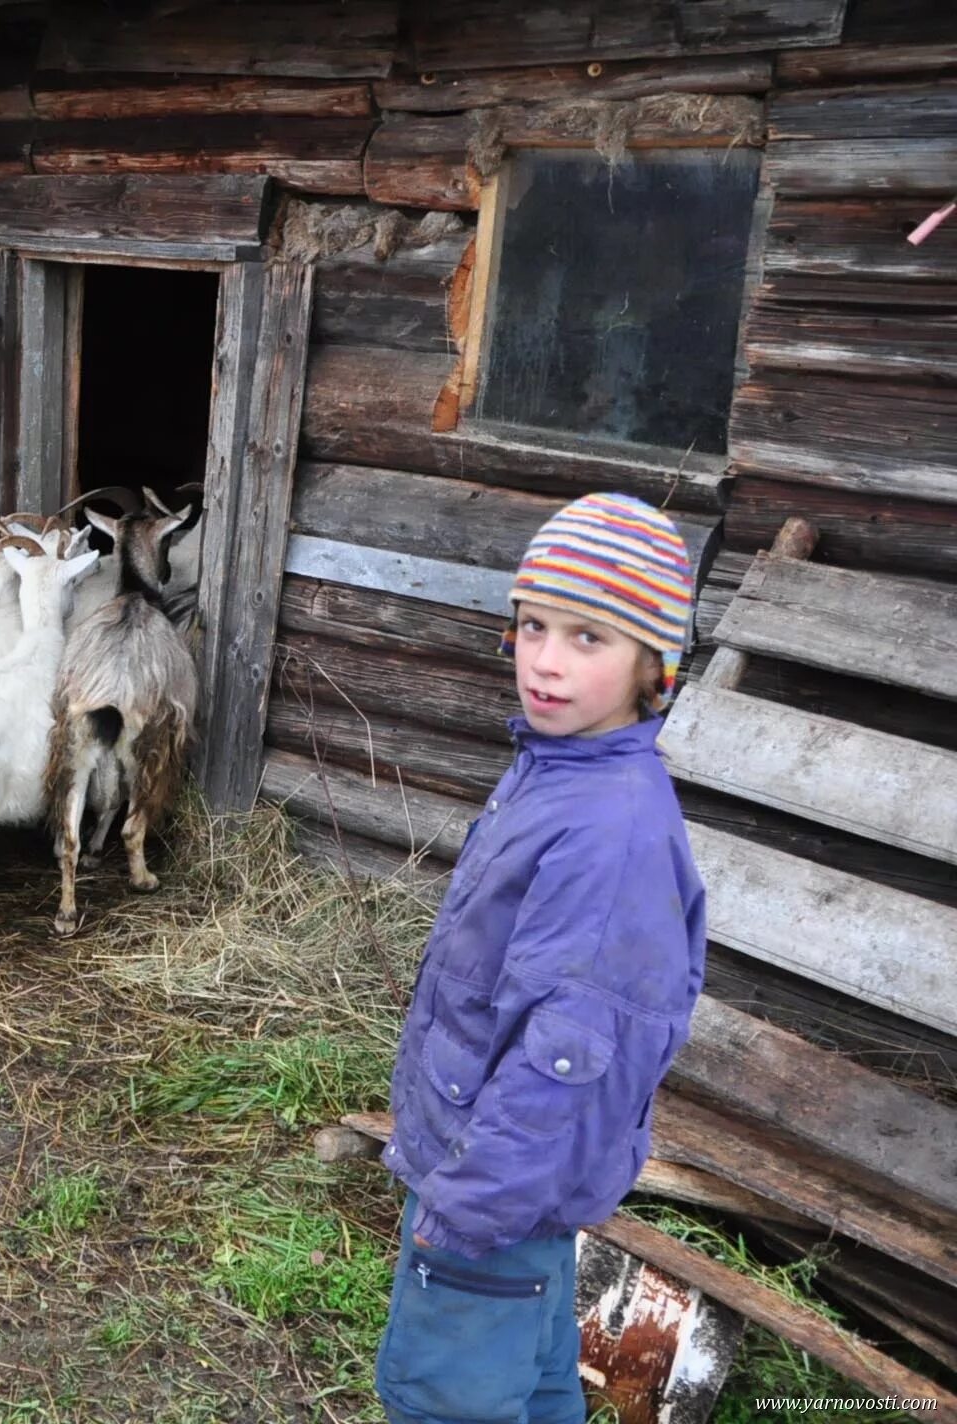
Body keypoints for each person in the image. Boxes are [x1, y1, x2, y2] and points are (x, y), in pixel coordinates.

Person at [373, 492, 706, 1424]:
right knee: (537, 1380)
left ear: (655, 667)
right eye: (533, 626)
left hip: (494, 1196)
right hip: (508, 1182)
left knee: (449, 1400)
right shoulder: (561, 766)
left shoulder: (612, 835)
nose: (546, 663)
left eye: (589, 638)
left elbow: (570, 1056)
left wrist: (468, 1208)